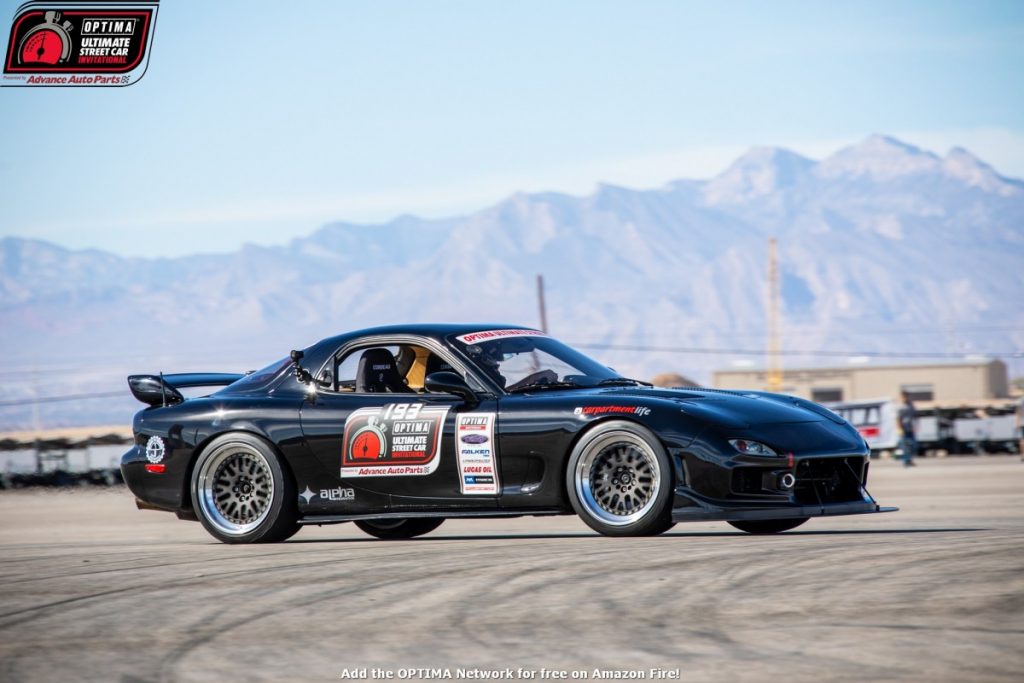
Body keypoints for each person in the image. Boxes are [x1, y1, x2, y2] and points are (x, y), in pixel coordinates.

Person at [897, 391, 917, 467]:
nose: (905, 398)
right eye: (904, 396)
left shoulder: (911, 405)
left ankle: (910, 460)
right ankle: (905, 461)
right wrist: (899, 429)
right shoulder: (900, 406)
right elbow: (898, 418)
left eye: (907, 396)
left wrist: (914, 426)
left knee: (912, 445)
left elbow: (914, 416)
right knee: (905, 446)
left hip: (910, 428)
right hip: (903, 428)